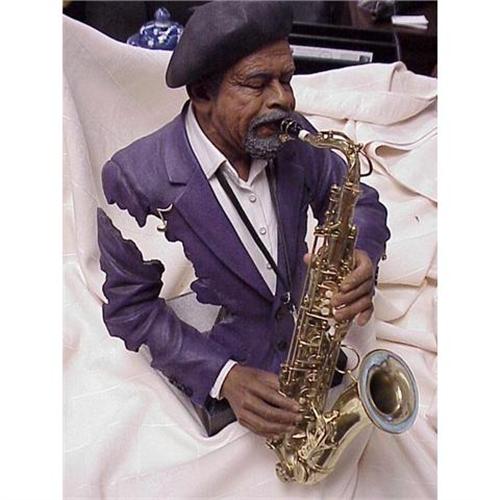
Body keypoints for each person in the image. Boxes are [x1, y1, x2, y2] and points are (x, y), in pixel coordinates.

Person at [97, 1, 390, 439]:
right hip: (219, 368)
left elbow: (361, 201)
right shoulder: (134, 178)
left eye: (287, 78)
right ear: (202, 93)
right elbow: (130, 308)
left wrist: (361, 252)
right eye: (257, 83)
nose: (283, 99)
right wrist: (223, 376)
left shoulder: (291, 135)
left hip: (307, 356)